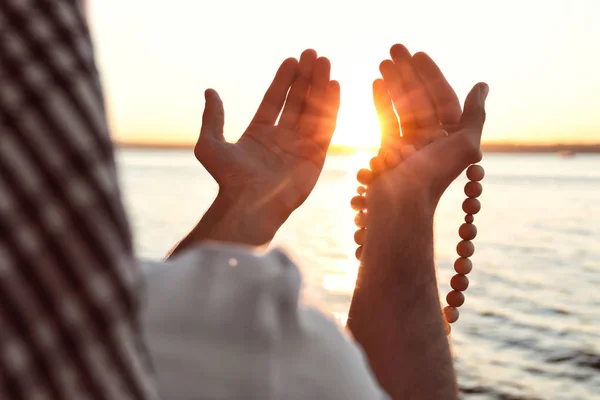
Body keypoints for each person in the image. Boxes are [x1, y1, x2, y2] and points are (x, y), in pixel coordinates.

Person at [0, 1, 487, 399]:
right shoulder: (264, 346)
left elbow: (141, 340)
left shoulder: (45, 323)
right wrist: (404, 212)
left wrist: (245, 205)